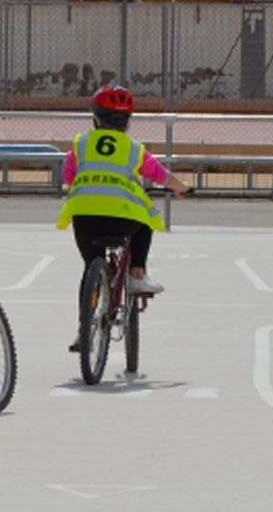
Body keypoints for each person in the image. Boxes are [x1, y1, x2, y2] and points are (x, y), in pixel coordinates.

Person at [57, 85, 190, 350]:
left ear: (95, 118)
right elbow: (160, 175)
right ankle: (137, 273)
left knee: (90, 266)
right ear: (127, 122)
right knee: (145, 216)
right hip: (122, 218)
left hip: (84, 216)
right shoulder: (134, 149)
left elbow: (69, 179)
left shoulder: (80, 144)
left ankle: (84, 329)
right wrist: (182, 188)